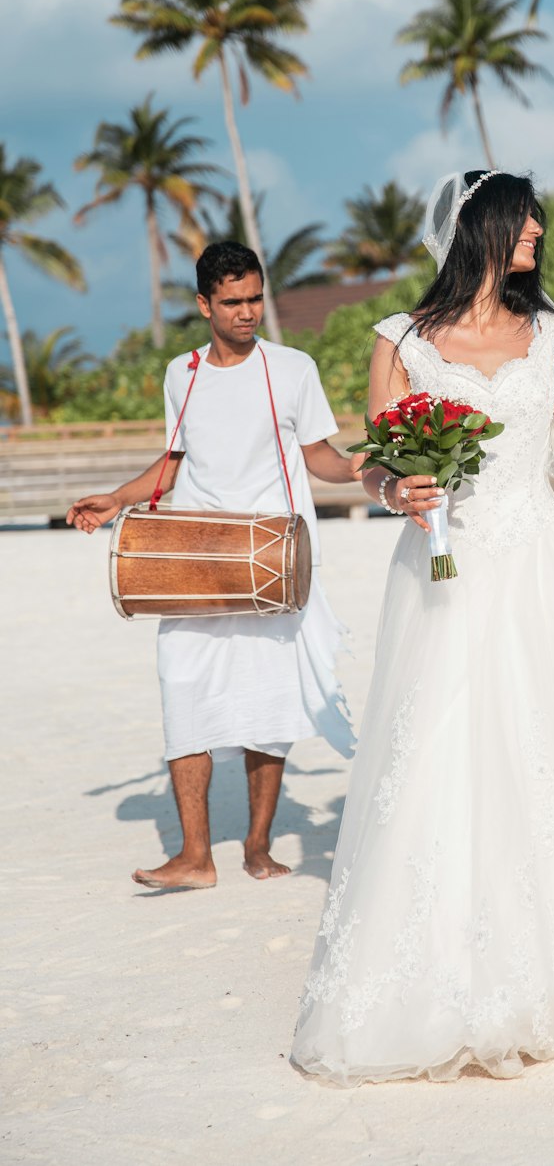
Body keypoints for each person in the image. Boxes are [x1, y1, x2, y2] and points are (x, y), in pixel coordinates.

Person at [292, 169, 554, 1087]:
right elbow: (375, 457)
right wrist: (396, 488)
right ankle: (452, 979)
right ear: (478, 225)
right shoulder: (399, 339)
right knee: (448, 757)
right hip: (446, 574)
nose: (537, 227)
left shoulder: (552, 331)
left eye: (536, 217)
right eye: (522, 215)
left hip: (543, 568)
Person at [67, 241, 359, 891]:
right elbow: (172, 464)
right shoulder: (184, 373)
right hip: (195, 567)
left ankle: (257, 846)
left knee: (269, 705)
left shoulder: (292, 368)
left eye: (256, 297)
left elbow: (320, 455)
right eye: (233, 302)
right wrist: (117, 498)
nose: (248, 312)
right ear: (204, 303)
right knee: (184, 692)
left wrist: (359, 465)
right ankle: (196, 856)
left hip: (268, 562)